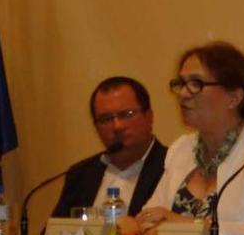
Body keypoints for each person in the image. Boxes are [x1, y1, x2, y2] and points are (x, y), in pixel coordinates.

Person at [137, 41, 244, 235]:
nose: (183, 93)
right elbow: (148, 219)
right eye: (181, 83)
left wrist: (184, 224)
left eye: (196, 83)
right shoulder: (181, 148)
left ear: (234, 98)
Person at [52, 76, 167, 217]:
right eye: (106, 119)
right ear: (96, 126)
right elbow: (54, 234)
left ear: (149, 117)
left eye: (126, 114)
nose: (117, 126)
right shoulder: (81, 174)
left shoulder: (171, 167)